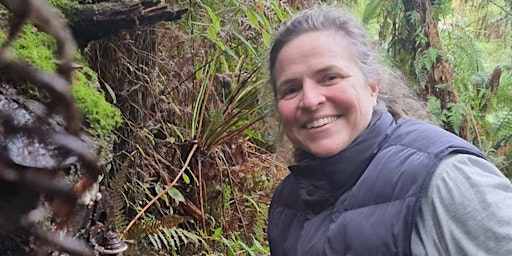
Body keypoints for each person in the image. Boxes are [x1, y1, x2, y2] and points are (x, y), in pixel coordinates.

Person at [266, 5, 512, 256]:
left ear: (373, 86)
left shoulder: (445, 177)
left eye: (330, 77)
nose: (309, 100)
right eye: (291, 89)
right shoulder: (289, 201)